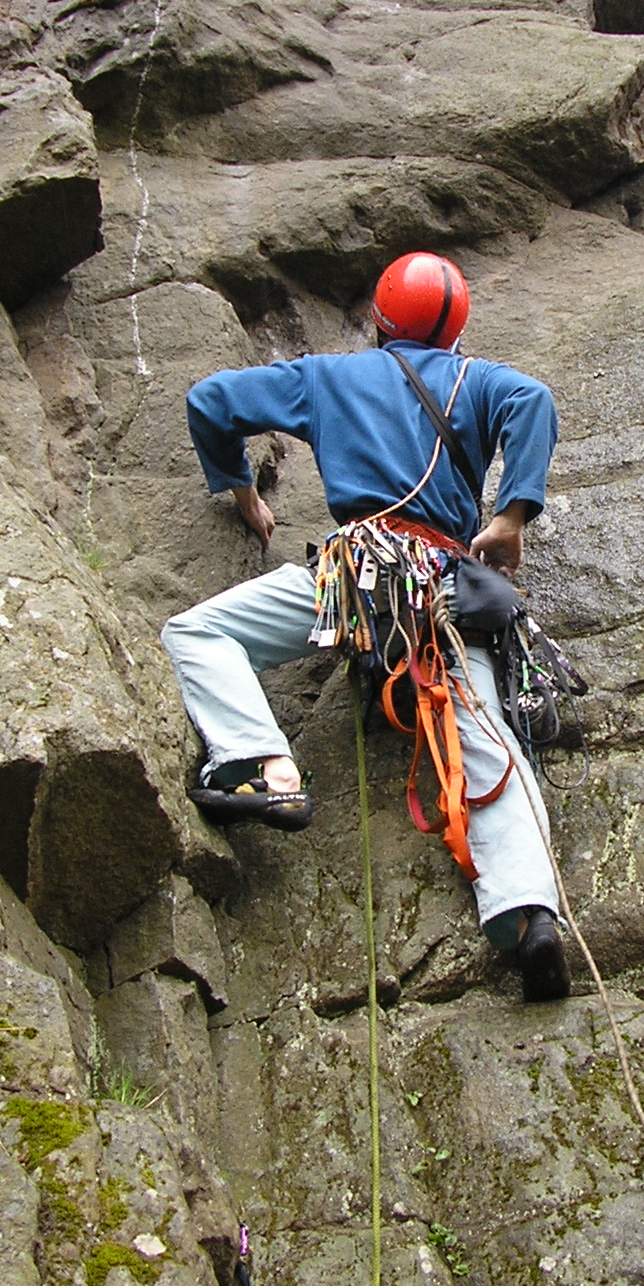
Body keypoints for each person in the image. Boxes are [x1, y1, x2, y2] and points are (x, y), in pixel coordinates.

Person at [158, 252, 571, 1001]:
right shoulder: (475, 380)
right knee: (484, 732)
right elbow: (534, 401)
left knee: (198, 634)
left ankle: (263, 766)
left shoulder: (328, 376)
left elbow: (210, 402)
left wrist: (241, 491)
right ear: (453, 336)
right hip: (444, 588)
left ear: (379, 322)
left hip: (355, 581)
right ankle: (526, 912)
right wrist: (510, 517)